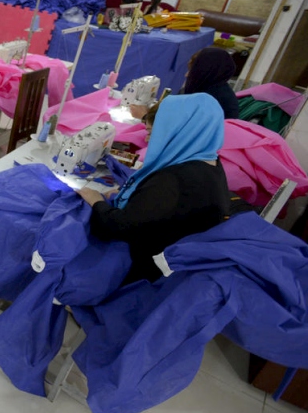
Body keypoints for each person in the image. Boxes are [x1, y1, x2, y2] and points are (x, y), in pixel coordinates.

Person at [77, 94, 231, 283]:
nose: (148, 139)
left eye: (153, 132)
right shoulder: (209, 163)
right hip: (182, 266)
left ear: (177, 132)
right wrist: (136, 197)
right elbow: (164, 209)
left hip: (146, 274)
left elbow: (116, 228)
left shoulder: (173, 180)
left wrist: (95, 200)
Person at [182, 47, 239, 120]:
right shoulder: (216, 88)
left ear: (205, 72)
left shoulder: (210, 99)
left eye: (192, 71)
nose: (186, 75)